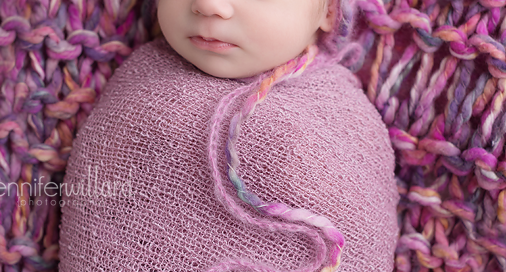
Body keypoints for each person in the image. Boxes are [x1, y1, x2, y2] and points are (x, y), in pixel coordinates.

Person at [58, 0, 399, 271]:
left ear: (327, 9)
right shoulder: (142, 86)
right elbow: (100, 215)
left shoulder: (339, 115)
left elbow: (361, 230)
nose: (209, 6)